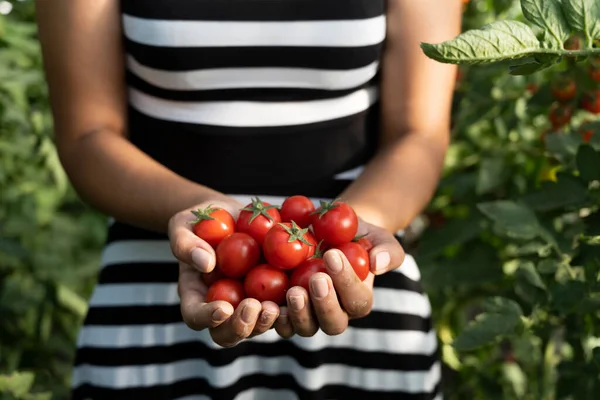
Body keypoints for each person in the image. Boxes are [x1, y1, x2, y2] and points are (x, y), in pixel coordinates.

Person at [35, 0, 461, 398]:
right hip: (156, 301)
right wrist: (205, 219)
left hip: (365, 306)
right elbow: (86, 137)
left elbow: (419, 134)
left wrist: (353, 245)